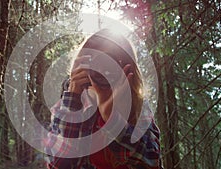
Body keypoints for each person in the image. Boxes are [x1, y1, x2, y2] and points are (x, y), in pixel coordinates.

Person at [44, 29, 162, 169]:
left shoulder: (138, 107)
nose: (104, 70)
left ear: (126, 68)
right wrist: (73, 101)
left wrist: (113, 121)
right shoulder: (68, 107)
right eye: (97, 61)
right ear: (83, 66)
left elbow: (151, 161)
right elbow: (58, 164)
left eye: (111, 62)